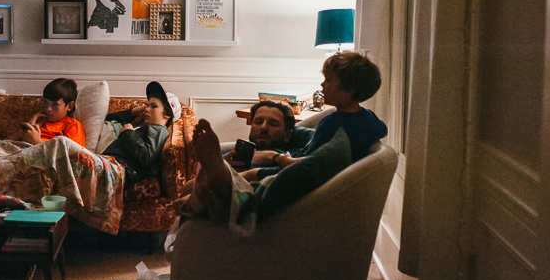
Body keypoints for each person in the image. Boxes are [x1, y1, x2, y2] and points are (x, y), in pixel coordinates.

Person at [180, 51, 387, 224]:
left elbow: (312, 163)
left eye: (329, 80)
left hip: (301, 177)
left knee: (247, 179)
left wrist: (282, 159)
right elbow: (382, 129)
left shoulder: (333, 124)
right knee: (194, 188)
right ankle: (222, 174)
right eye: (257, 122)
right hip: (305, 168)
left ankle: (225, 182)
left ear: (349, 89)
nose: (322, 85)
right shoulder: (367, 119)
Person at [100, 81, 181, 185]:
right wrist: (132, 113)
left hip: (115, 168)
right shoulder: (145, 128)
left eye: (153, 106)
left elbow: (146, 157)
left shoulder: (160, 130)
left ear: (167, 114)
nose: (146, 109)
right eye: (147, 105)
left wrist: (128, 132)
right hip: (108, 164)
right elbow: (104, 119)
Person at [11, 78, 86, 147]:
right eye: (46, 102)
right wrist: (28, 128)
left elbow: (75, 157)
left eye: (55, 104)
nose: (48, 108)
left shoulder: (72, 126)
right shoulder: (39, 121)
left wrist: (36, 142)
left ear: (69, 106)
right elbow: (2, 144)